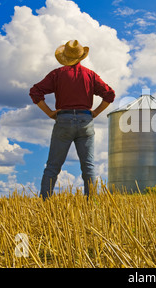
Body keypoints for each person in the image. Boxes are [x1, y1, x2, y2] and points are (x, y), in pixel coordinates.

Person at [29, 40, 115, 200]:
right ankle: (93, 204)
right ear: (81, 56)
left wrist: (49, 113)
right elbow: (110, 95)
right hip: (86, 121)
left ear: (64, 57)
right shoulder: (90, 75)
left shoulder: (57, 74)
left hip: (64, 120)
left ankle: (44, 204)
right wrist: (95, 112)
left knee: (53, 166)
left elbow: (35, 92)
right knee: (88, 166)